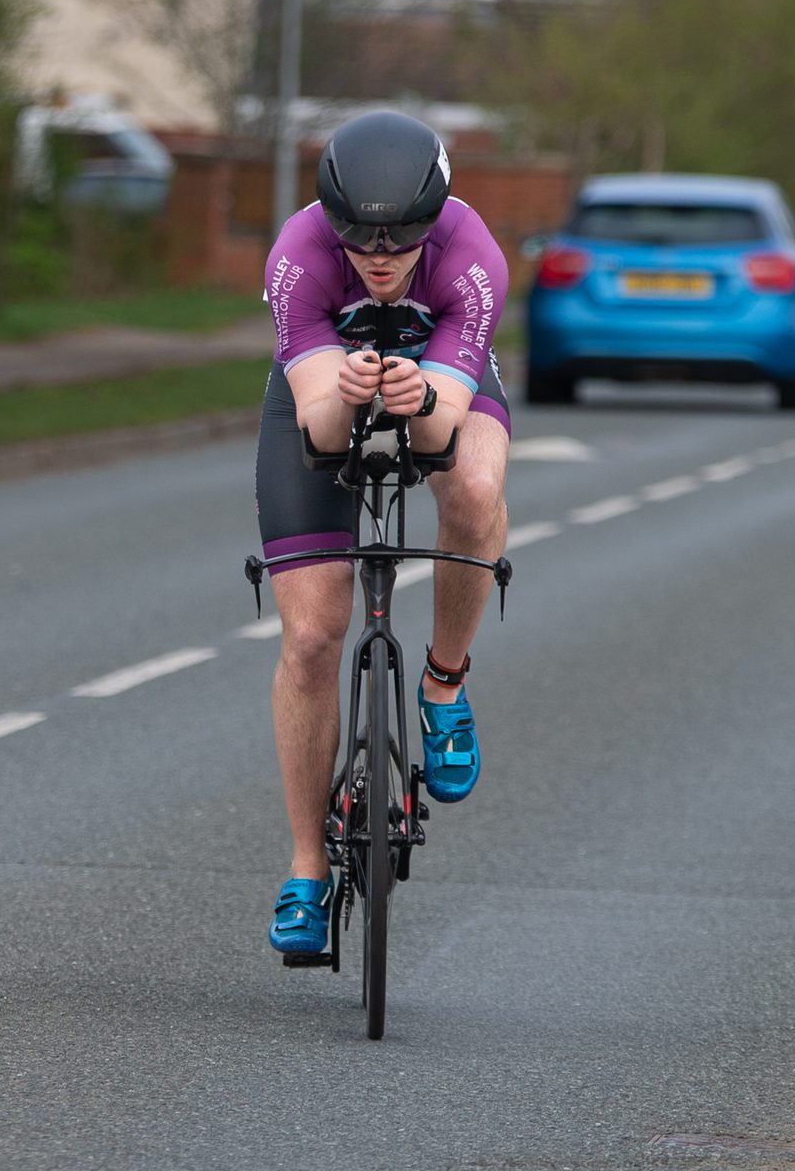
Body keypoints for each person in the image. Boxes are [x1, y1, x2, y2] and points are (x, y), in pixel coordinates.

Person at [255, 110, 511, 955]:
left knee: (472, 485)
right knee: (312, 638)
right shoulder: (297, 255)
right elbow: (323, 436)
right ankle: (305, 868)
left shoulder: (474, 258)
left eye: (401, 238)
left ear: (434, 219)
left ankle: (443, 685)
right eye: (358, 236)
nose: (378, 253)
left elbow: (437, 443)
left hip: (443, 375)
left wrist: (422, 403)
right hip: (326, 382)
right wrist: (349, 392)